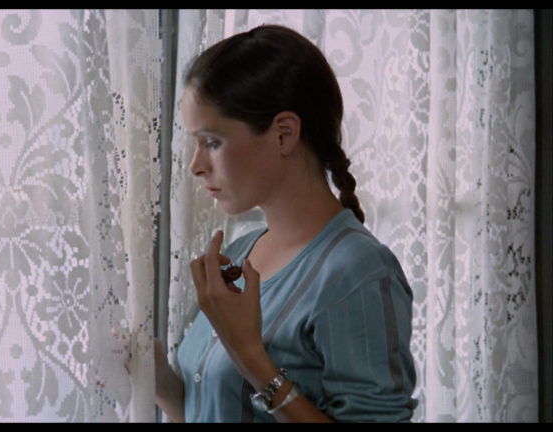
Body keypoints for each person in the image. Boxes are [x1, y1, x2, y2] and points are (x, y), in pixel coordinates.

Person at [154, 24, 417, 423]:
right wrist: (158, 383)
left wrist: (252, 358)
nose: (195, 165)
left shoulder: (357, 272)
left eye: (212, 142)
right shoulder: (239, 254)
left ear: (284, 134)